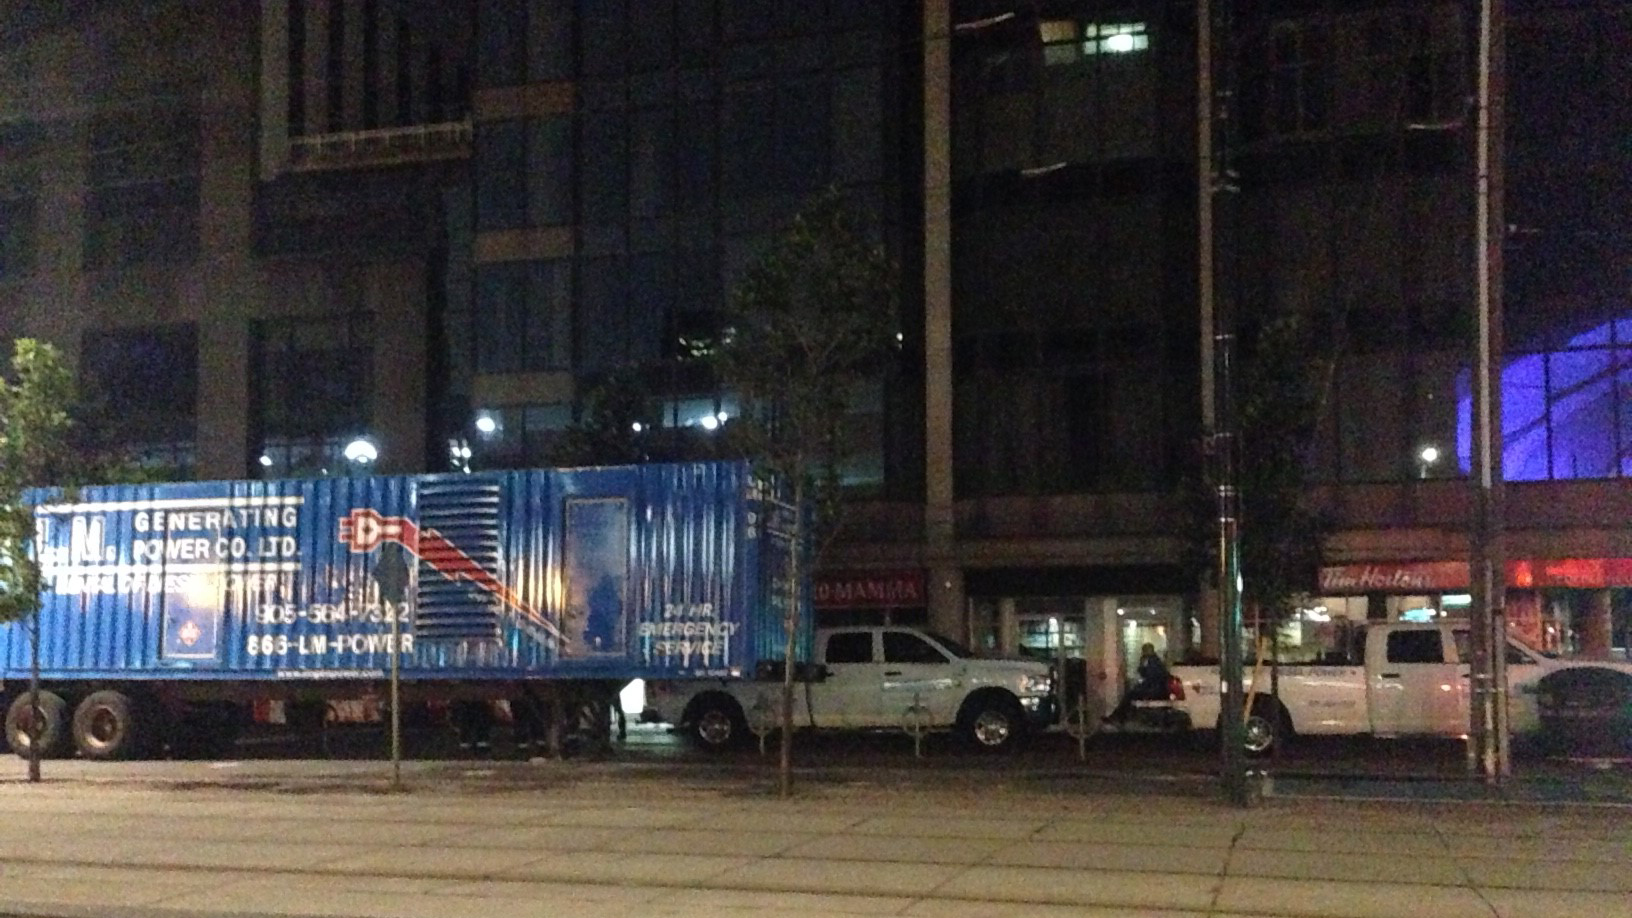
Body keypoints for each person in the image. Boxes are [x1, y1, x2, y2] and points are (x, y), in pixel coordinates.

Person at [1104, 643, 1172, 725]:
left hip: (1154, 690)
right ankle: (1120, 716)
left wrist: (1140, 684)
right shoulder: (1155, 661)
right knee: (1130, 694)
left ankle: (1119, 716)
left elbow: (1149, 677)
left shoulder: (1152, 662)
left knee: (1129, 695)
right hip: (1155, 688)